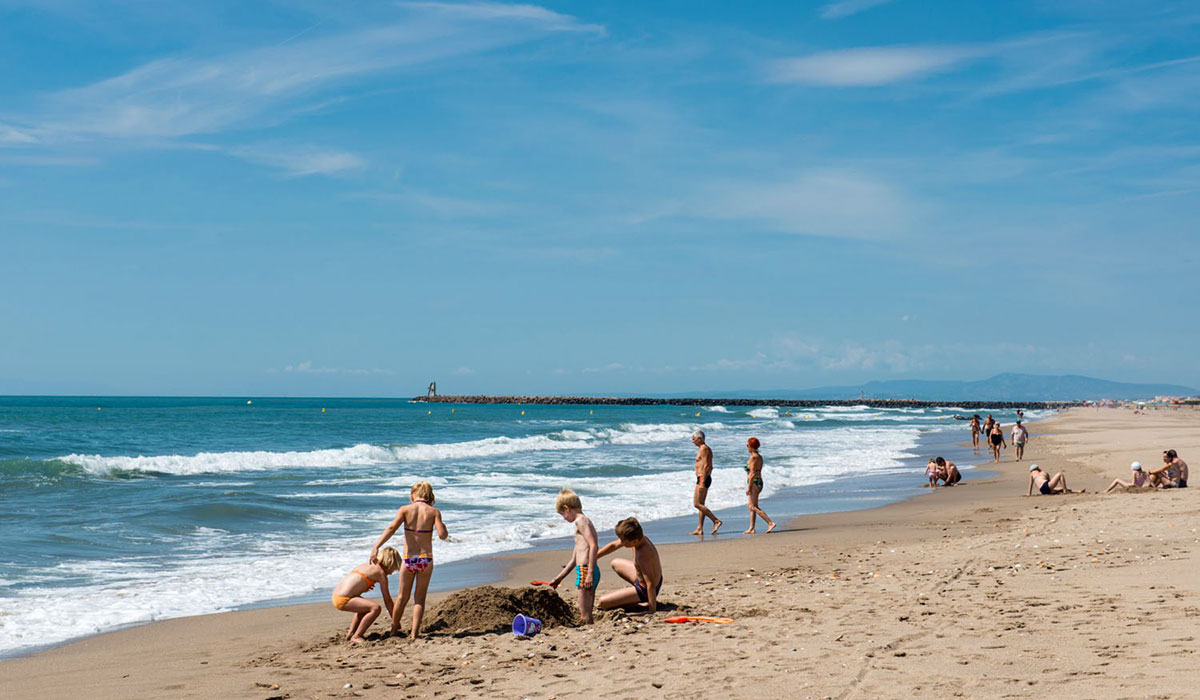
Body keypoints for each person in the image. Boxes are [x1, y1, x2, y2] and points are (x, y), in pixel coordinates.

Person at [370, 481, 449, 639]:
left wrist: (377, 546)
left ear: (413, 495)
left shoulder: (405, 510)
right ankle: (414, 633)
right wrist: (441, 524)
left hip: (409, 559)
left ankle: (394, 630)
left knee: (402, 596)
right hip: (425, 559)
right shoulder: (434, 512)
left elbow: (392, 528)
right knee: (419, 598)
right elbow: (442, 535)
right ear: (429, 496)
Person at [546, 488, 600, 624]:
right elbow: (574, 560)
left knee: (584, 614)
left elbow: (594, 545)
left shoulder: (581, 521)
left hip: (587, 570)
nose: (564, 518)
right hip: (586, 569)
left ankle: (588, 632)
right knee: (587, 612)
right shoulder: (582, 523)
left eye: (562, 514)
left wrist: (589, 573)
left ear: (567, 508)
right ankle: (590, 628)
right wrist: (558, 578)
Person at [331, 547, 399, 644]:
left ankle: (351, 634)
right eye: (393, 568)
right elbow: (387, 600)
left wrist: (365, 585)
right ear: (390, 563)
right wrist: (395, 621)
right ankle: (357, 636)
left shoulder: (367, 565)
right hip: (343, 599)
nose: (392, 573)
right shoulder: (381, 573)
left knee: (364, 608)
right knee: (375, 608)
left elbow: (355, 581)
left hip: (336, 595)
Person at [597, 517, 664, 614]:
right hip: (640, 579)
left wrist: (651, 609)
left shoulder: (643, 554)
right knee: (615, 562)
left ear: (634, 541)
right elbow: (614, 545)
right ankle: (631, 599)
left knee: (603, 602)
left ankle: (641, 604)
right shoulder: (639, 537)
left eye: (623, 541)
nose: (621, 542)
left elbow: (650, 583)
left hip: (645, 590)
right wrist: (595, 557)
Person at [689, 430, 722, 535]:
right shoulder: (703, 449)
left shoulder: (704, 449)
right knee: (701, 504)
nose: (692, 441)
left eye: (693, 439)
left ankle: (716, 521)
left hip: (703, 478)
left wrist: (702, 482)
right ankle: (699, 528)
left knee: (697, 504)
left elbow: (707, 466)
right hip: (702, 478)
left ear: (699, 439)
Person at [743, 437, 776, 534]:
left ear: (752, 447)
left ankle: (770, 522)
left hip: (754, 482)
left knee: (753, 506)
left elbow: (752, 473)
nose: (747, 447)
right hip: (758, 481)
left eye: (748, 445)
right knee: (752, 506)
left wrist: (749, 487)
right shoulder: (758, 456)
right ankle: (752, 528)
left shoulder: (753, 457)